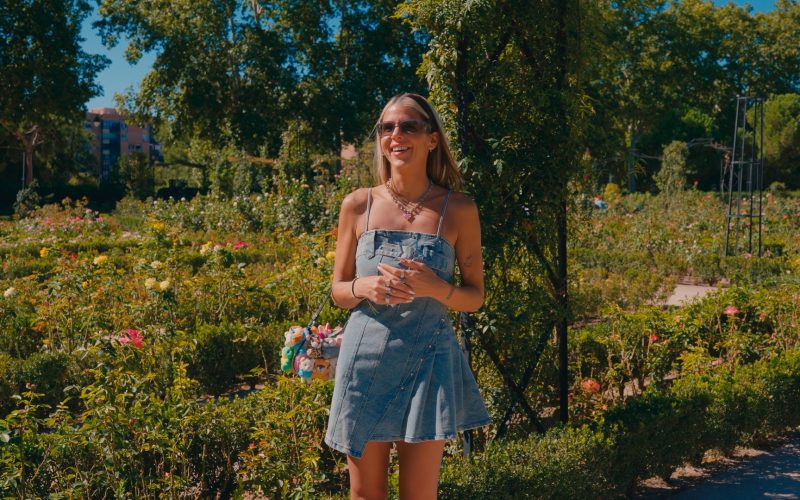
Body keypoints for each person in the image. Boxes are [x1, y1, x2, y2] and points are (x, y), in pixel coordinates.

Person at [324, 93, 491, 499]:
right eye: (387, 127)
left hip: (429, 360)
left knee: (419, 496)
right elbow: (338, 291)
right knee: (365, 495)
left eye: (409, 126)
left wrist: (439, 289)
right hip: (364, 361)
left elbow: (475, 297)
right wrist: (363, 287)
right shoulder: (357, 205)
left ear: (432, 139)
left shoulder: (459, 209)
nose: (396, 135)